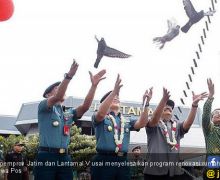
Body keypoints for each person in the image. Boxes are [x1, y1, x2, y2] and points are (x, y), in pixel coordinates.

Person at [34, 60, 106, 180]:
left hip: (65, 157)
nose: (61, 90)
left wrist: (93, 86)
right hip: (47, 156)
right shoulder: (44, 107)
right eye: (57, 88)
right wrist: (69, 76)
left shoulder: (68, 112)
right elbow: (57, 96)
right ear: (47, 95)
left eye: (60, 88)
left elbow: (85, 107)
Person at [91, 74, 153, 180]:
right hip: (104, 159)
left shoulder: (126, 119)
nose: (115, 97)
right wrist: (114, 92)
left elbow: (142, 123)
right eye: (112, 96)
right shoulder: (101, 116)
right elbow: (100, 114)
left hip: (122, 160)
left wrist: (146, 104)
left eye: (117, 97)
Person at [144, 88, 208, 180]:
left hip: (174, 172)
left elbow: (188, 124)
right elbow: (154, 119)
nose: (168, 107)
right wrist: (163, 100)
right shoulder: (153, 123)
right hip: (154, 172)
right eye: (165, 106)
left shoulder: (176, 125)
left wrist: (194, 105)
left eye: (171, 107)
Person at [202, 78, 220, 154]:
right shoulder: (210, 129)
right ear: (211, 118)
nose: (219, 113)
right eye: (216, 112)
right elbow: (206, 115)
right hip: (214, 162)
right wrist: (210, 96)